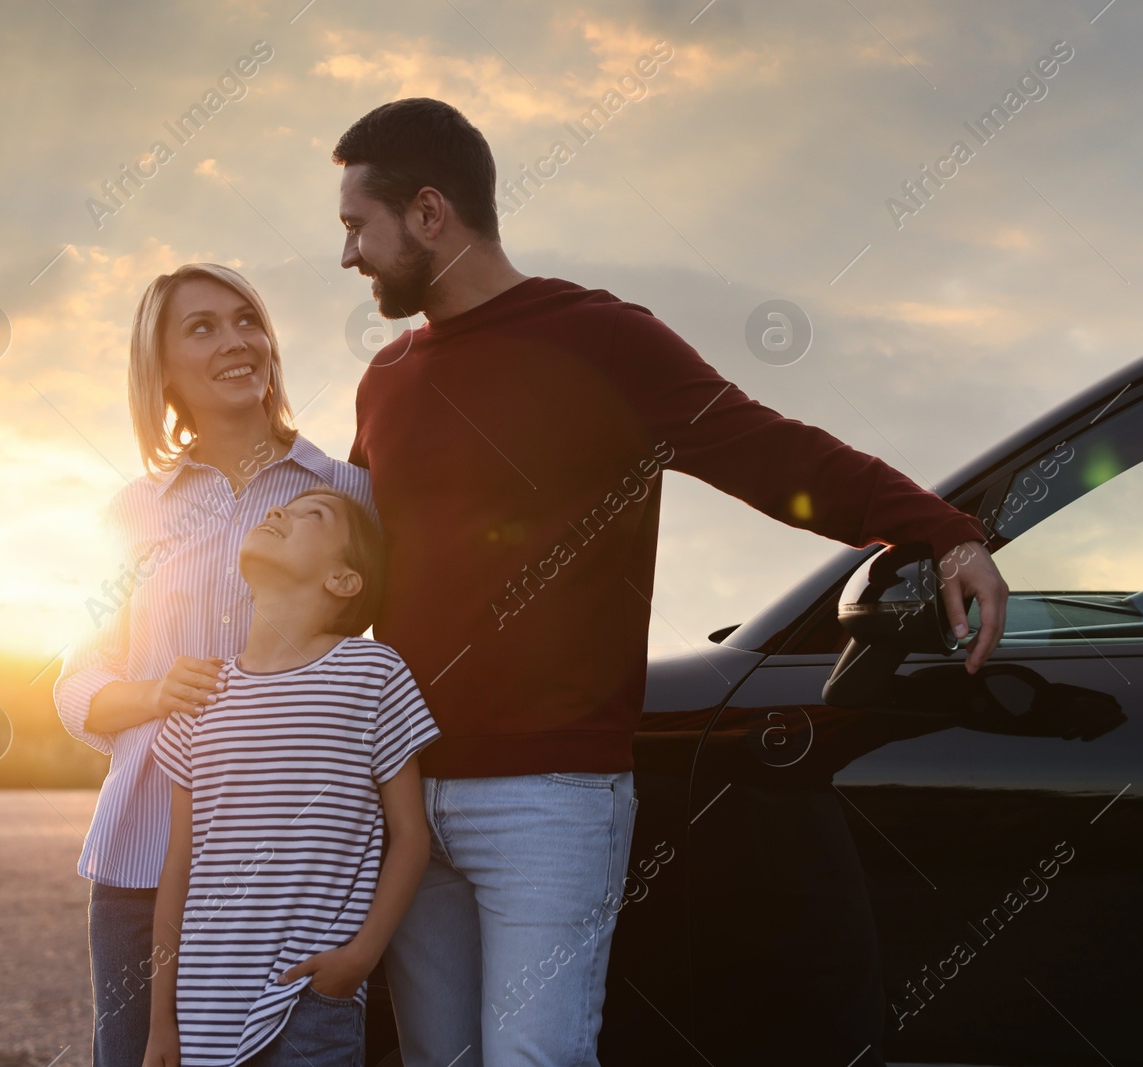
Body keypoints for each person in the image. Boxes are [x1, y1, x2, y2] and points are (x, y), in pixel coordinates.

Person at [330, 98, 1010, 1066]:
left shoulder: (599, 338)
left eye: (358, 225)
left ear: (430, 212)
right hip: (405, 791)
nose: (348, 255)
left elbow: (768, 451)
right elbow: (349, 564)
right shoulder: (384, 378)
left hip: (548, 793)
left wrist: (941, 531)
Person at [53, 263, 375, 1067]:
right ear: (161, 369)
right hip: (142, 851)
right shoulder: (132, 513)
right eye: (201, 327)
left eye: (246, 320)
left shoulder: (348, 493)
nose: (237, 340)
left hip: (293, 867)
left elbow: (381, 661)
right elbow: (76, 683)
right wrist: (155, 692)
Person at [140, 486, 438, 1067]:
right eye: (283, 507)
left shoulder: (373, 672)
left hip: (308, 1002)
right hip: (201, 1011)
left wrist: (359, 959)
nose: (279, 512)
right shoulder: (200, 694)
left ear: (344, 581)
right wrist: (160, 1022)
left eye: (313, 515)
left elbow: (411, 836)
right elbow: (178, 865)